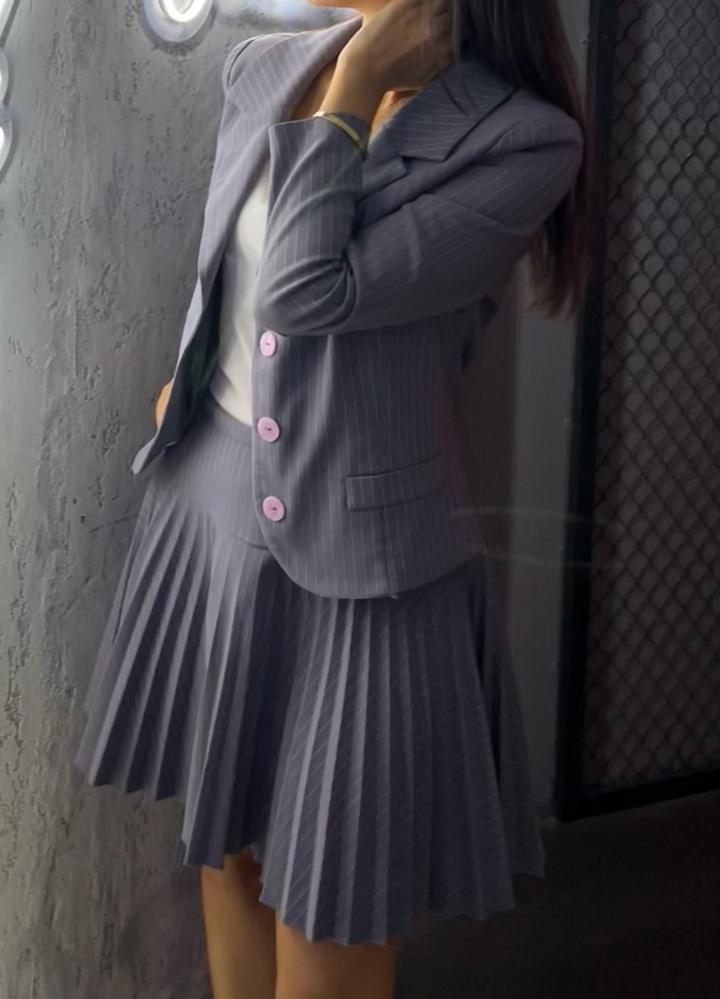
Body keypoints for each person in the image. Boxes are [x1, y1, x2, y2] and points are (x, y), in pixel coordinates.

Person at [74, 0, 589, 996]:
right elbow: (229, 274)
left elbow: (308, 291)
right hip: (212, 523)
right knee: (229, 856)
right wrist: (197, 382)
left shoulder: (525, 141)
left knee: (333, 902)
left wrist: (353, 90)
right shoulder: (262, 69)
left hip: (369, 578)